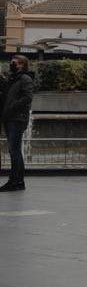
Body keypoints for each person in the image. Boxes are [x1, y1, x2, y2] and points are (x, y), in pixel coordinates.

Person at [0, 55, 34, 192]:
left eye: (13, 63)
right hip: (9, 118)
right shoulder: (13, 79)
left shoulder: (25, 78)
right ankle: (17, 181)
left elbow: (28, 97)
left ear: (21, 65)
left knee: (14, 151)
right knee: (14, 150)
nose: (11, 64)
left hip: (17, 118)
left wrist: (13, 106)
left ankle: (16, 181)